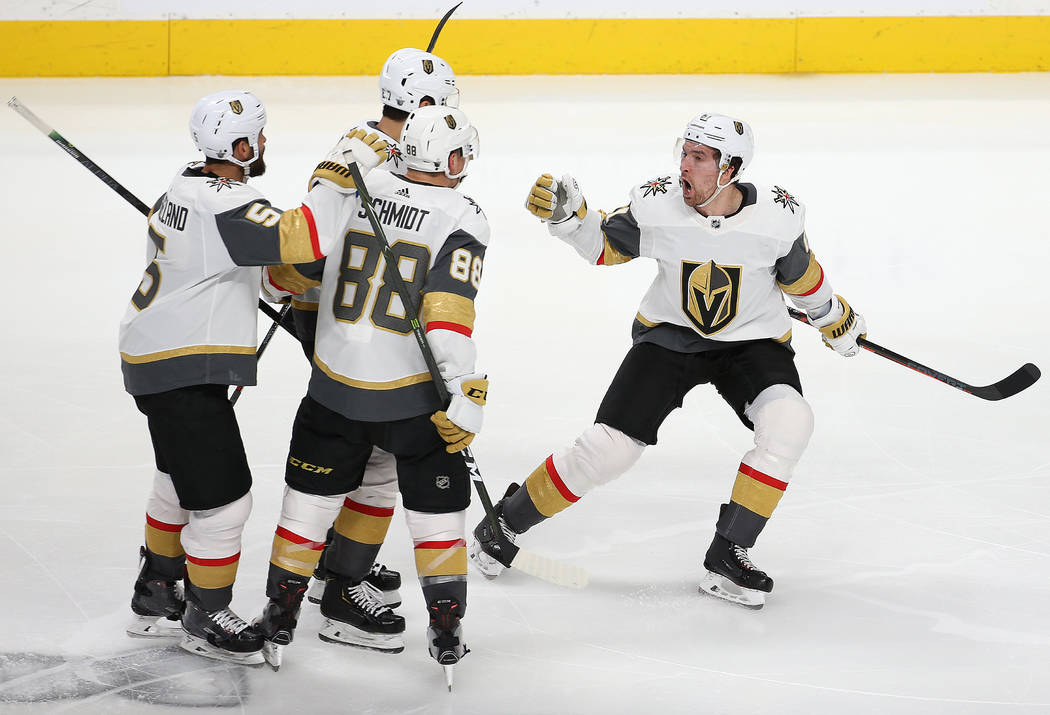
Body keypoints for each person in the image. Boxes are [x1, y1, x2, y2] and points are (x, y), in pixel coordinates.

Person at [469, 112, 867, 610]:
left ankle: (729, 552)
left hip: (752, 344)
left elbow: (799, 275)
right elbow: (606, 246)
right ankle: (505, 520)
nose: (685, 166)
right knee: (607, 450)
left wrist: (833, 316)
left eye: (699, 158)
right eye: (684, 152)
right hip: (668, 337)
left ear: (731, 168)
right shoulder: (657, 205)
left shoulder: (778, 217)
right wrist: (570, 219)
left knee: (790, 423)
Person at [120, 89, 388, 664]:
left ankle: (156, 589)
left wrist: (282, 279)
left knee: (177, 477)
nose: (263, 144)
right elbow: (305, 234)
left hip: (158, 357)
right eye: (258, 138)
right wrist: (344, 171)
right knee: (225, 501)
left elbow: (252, 271)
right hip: (181, 367)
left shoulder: (183, 187)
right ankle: (204, 613)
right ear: (238, 147)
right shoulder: (230, 203)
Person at [256, 105, 486, 680]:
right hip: (410, 399)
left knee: (309, 504)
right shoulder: (464, 214)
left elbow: (284, 275)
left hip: (331, 389)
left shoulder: (357, 185)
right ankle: (446, 624)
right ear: (452, 158)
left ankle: (280, 612)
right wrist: (462, 389)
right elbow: (447, 313)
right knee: (434, 510)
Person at [268, 47, 463, 614]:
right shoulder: (372, 155)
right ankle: (340, 571)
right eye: (442, 107)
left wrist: (291, 290)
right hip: (355, 329)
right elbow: (315, 236)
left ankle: (342, 560)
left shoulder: (366, 145)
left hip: (342, 317)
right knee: (372, 455)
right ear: (423, 104)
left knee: (367, 451)